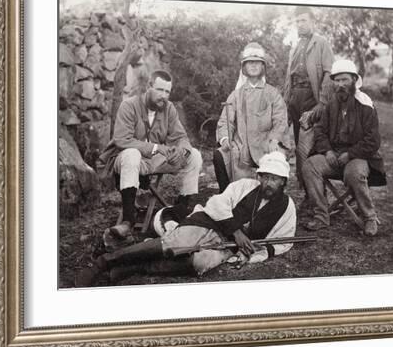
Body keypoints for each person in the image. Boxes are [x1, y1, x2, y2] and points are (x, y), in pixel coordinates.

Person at [75, 152, 296, 286]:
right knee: (173, 244)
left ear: (283, 182)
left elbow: (283, 241)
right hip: (208, 223)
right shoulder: (245, 186)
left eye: (274, 179)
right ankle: (103, 263)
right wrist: (237, 231)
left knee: (198, 263)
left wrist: (252, 254)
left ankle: (130, 269)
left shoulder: (287, 208)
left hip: (228, 247)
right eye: (265, 177)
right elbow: (217, 204)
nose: (267, 183)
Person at [99, 70, 202, 236]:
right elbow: (122, 140)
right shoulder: (129, 105)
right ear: (149, 87)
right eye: (160, 90)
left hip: (154, 161)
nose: (164, 96)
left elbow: (181, 137)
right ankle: (128, 221)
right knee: (131, 153)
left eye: (167, 91)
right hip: (127, 160)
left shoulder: (169, 108)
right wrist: (156, 147)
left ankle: (181, 210)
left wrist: (181, 151)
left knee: (194, 155)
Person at [301, 59, 386, 235]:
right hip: (333, 156)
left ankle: (369, 217)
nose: (340, 85)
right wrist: (328, 151)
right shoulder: (331, 104)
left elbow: (373, 140)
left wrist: (350, 154)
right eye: (337, 80)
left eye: (344, 80)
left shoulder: (365, 105)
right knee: (310, 166)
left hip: (359, 158)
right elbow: (320, 131)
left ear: (354, 80)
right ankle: (321, 217)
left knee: (353, 173)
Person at [214, 42, 290, 192]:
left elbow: (280, 120)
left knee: (277, 158)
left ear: (263, 67)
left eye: (257, 63)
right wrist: (225, 139)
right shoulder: (236, 95)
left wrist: (275, 138)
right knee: (220, 155)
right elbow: (225, 121)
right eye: (250, 63)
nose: (254, 66)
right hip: (241, 144)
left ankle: (272, 199)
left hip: (267, 143)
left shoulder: (272, 93)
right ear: (244, 68)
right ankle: (227, 197)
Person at [283, 6, 335, 189]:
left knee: (308, 148)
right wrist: (286, 100)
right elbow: (289, 77)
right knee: (298, 145)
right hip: (295, 98)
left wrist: (322, 101)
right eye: (297, 21)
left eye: (304, 20)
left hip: (312, 99)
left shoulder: (321, 43)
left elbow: (329, 73)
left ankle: (314, 194)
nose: (300, 24)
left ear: (313, 21)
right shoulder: (295, 46)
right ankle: (305, 189)